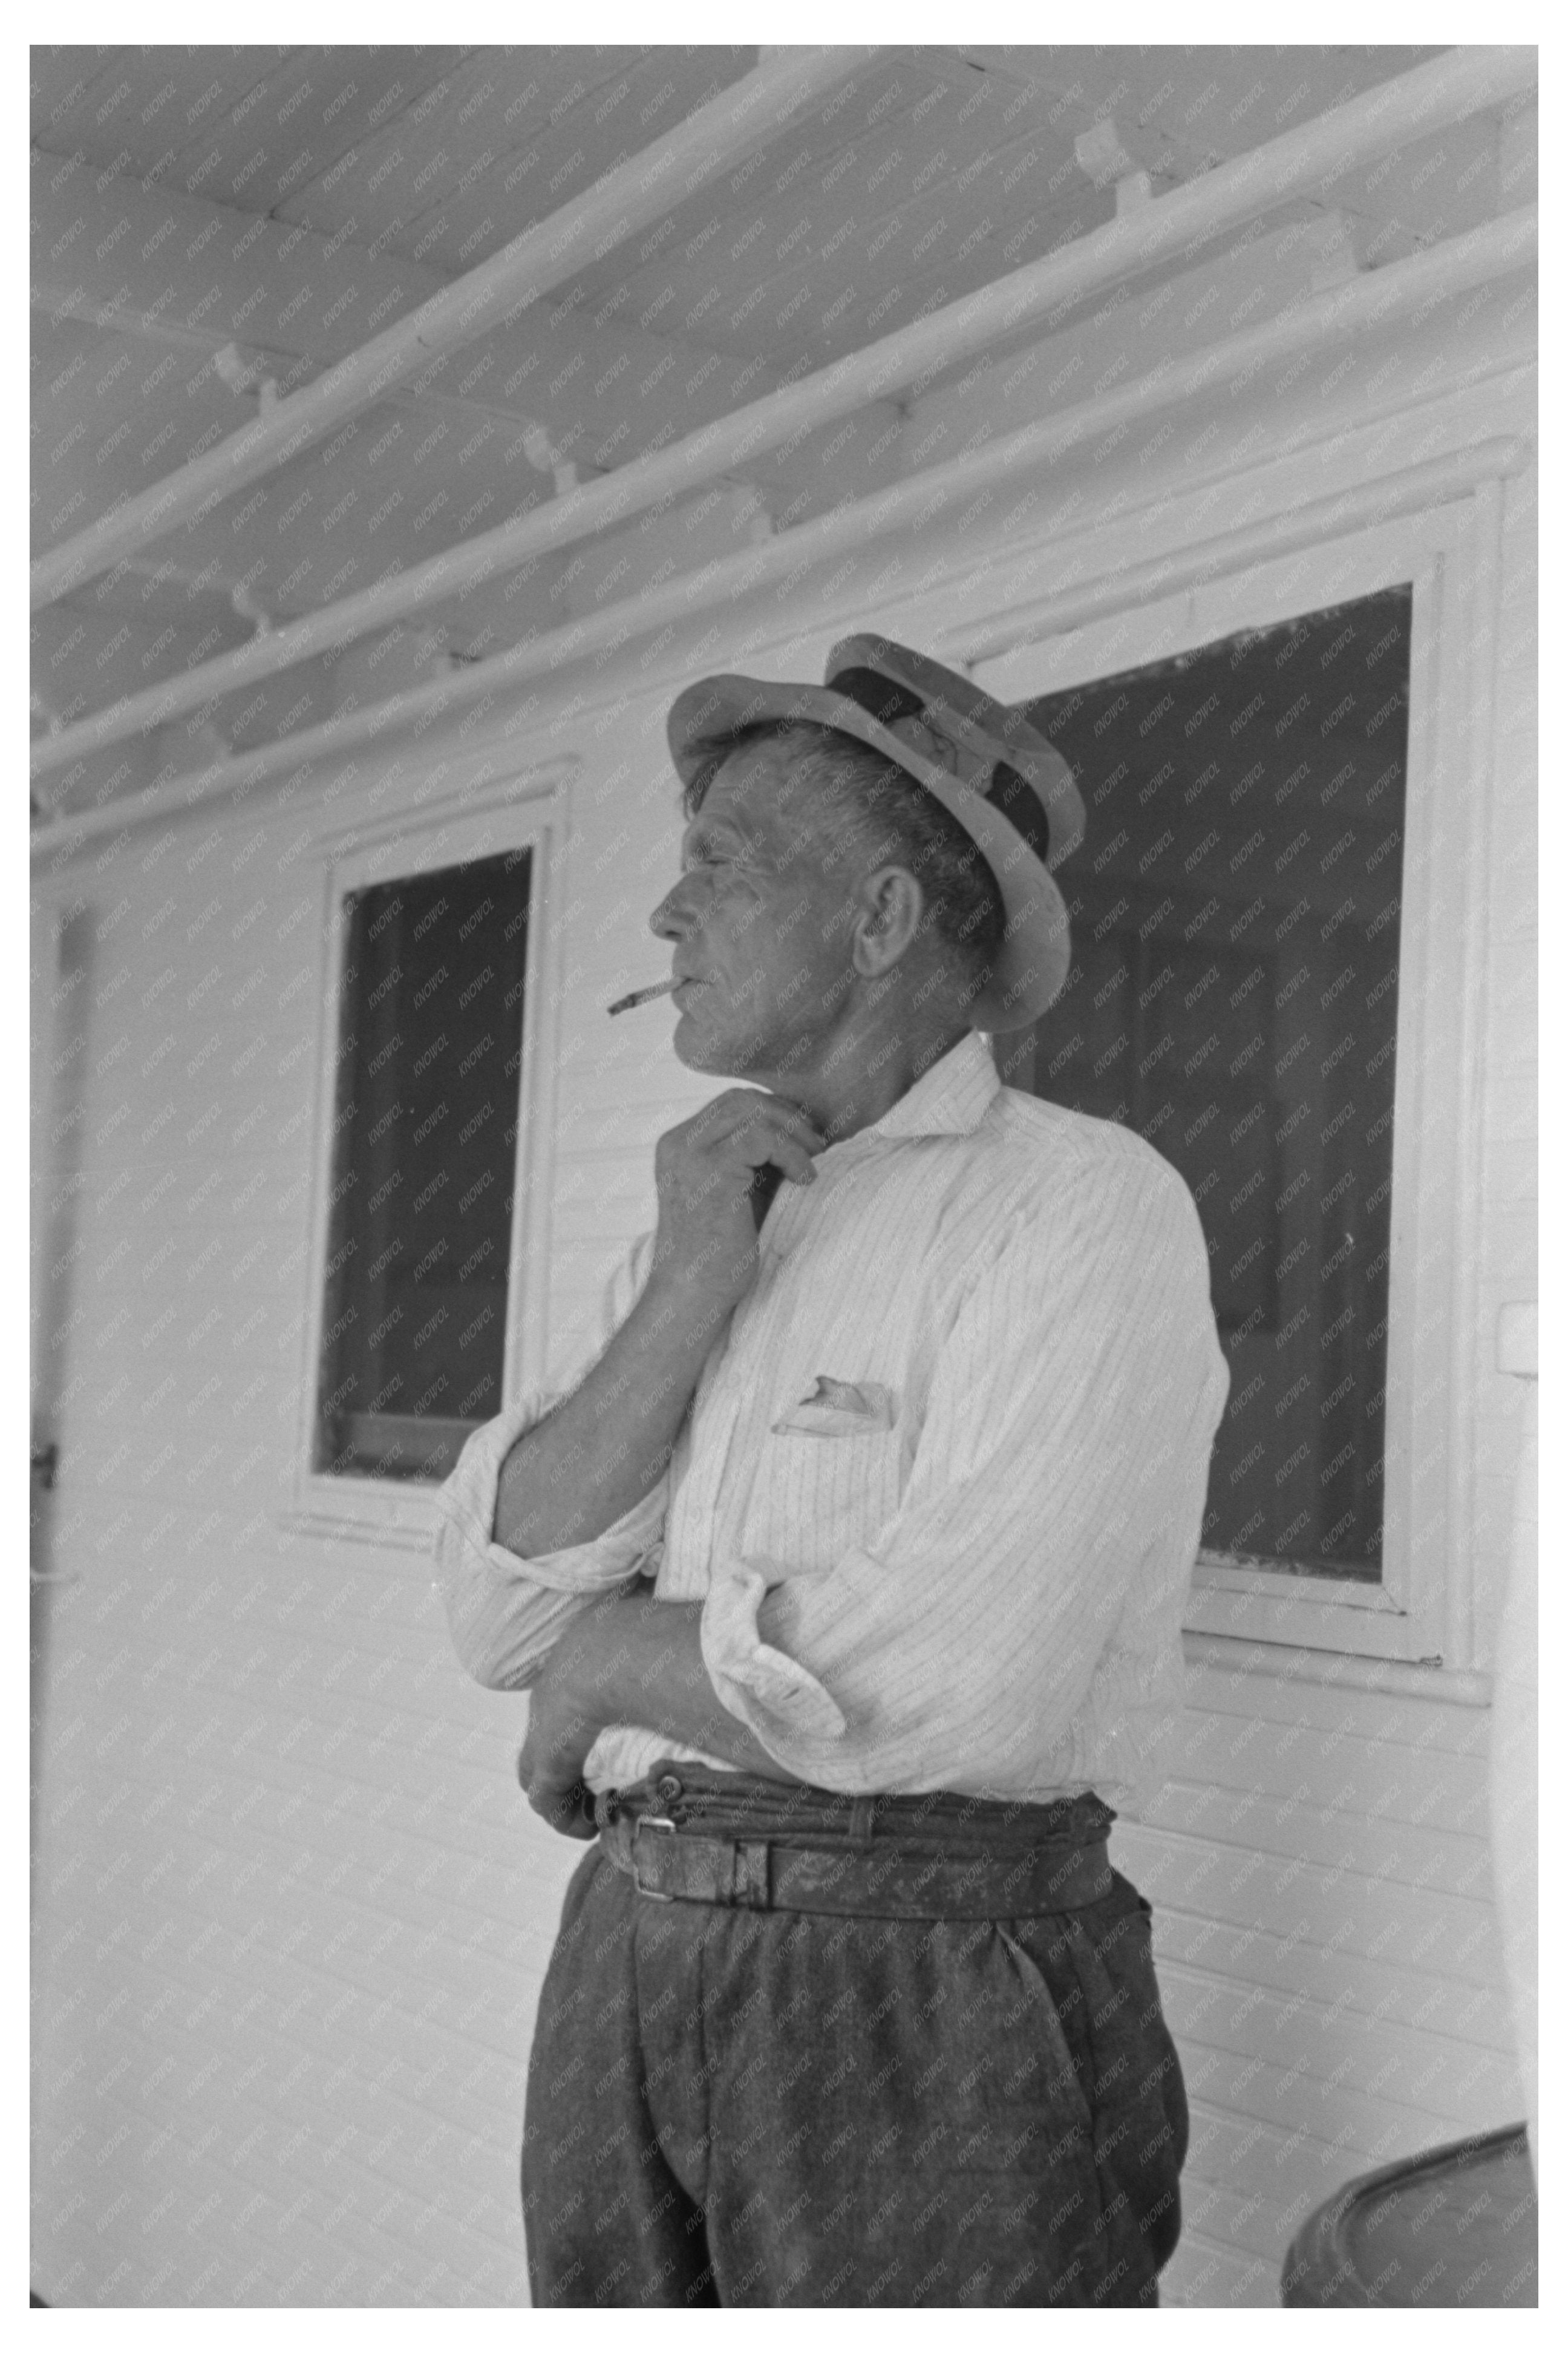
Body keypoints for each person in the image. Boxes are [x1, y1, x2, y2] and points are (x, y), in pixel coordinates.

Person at [434, 634, 1230, 2307]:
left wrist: (607, 1660)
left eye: (716, 869)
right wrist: (686, 1289)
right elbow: (497, 1607)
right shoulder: (709, 1213)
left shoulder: (1083, 1207)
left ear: (878, 922)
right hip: (627, 1949)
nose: (666, 920)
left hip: (928, 1985)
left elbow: (965, 1679)